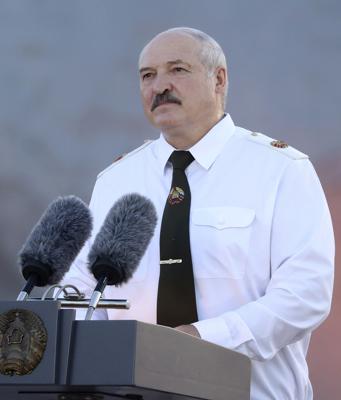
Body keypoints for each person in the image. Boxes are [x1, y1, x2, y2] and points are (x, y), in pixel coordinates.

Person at [63, 27, 334, 399]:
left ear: (218, 79)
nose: (160, 86)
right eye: (147, 75)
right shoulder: (116, 180)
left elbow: (306, 294)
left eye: (177, 70)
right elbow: (81, 292)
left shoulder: (281, 169)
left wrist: (201, 340)